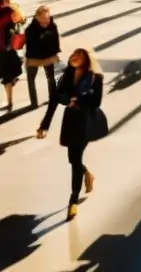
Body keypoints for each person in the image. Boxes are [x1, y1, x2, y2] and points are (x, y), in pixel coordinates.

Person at [36, 48, 104, 221]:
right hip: (70, 121)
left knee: (75, 159)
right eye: (73, 54)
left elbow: (97, 100)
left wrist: (80, 99)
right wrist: (45, 125)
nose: (73, 57)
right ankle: (86, 173)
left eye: (78, 55)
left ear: (86, 59)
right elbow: (55, 98)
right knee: (73, 159)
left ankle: (73, 200)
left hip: (86, 122)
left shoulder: (96, 77)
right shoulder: (68, 74)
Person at [24, 5, 61, 108]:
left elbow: (56, 42)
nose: (46, 21)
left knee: (51, 78)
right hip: (33, 57)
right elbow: (33, 45)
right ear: (37, 17)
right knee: (31, 80)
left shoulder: (53, 26)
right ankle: (34, 103)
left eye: (48, 18)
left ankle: (53, 97)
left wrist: (55, 54)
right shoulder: (30, 30)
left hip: (49, 56)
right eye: (44, 19)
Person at [0, 0, 25, 112]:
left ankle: (9, 101)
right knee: (8, 76)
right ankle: (10, 101)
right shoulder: (10, 10)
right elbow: (21, 19)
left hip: (4, 49)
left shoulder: (9, 10)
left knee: (7, 77)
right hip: (7, 48)